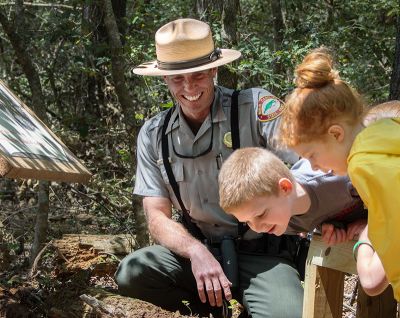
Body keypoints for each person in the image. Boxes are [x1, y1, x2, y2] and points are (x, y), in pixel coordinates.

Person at [114, 18, 303, 318]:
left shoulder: (254, 107)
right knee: (132, 273)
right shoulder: (153, 134)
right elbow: (156, 217)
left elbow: (306, 168)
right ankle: (211, 308)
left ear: (214, 69)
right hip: (198, 256)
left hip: (262, 254)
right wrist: (196, 252)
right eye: (177, 78)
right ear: (163, 78)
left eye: (198, 74)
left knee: (289, 314)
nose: (189, 87)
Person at [278, 48, 400, 301]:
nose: (313, 167)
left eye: (311, 155)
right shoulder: (385, 134)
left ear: (335, 134)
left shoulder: (361, 163)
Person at [218, 147, 366, 239]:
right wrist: (330, 227)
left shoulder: (334, 176)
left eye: (261, 215)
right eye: (247, 222)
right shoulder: (284, 223)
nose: (257, 228)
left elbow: (385, 186)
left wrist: (368, 223)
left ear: (285, 188)